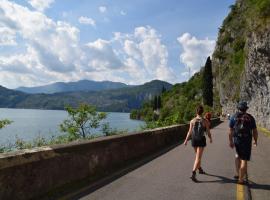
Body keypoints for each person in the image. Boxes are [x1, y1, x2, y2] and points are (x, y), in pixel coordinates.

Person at [228, 101, 258, 184]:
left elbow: (230, 131)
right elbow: (255, 131)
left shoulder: (234, 117)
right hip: (246, 140)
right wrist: (255, 140)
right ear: (246, 109)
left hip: (237, 139)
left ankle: (238, 174)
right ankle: (241, 179)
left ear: (238, 108)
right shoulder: (250, 118)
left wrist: (230, 141)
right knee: (244, 159)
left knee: (237, 156)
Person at [184, 105, 212, 182]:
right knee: (198, 157)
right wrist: (210, 138)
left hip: (194, 139)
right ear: (202, 112)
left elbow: (189, 131)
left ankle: (200, 168)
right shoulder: (205, 121)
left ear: (196, 112)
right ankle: (193, 173)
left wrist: (186, 140)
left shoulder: (192, 121)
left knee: (197, 156)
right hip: (201, 140)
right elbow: (208, 132)